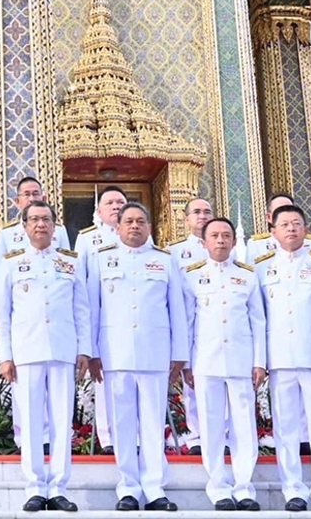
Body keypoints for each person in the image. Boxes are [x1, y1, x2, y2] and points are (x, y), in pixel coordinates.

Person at [88, 202, 187, 512]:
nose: (134, 226)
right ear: (117, 226)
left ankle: (155, 488)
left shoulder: (164, 260)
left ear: (149, 226)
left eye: (140, 221)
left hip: (155, 354)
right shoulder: (101, 259)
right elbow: (93, 308)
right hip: (115, 354)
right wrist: (92, 352)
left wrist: (179, 354)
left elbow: (178, 310)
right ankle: (129, 488)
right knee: (123, 424)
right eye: (128, 221)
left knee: (154, 423)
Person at [0, 201, 91, 513]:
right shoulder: (12, 263)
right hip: (27, 350)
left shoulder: (70, 262)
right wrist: (5, 355)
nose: (40, 225)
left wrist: (84, 350)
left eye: (46, 219)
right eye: (34, 219)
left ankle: (59, 486)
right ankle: (35, 486)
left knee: (62, 421)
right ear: (23, 227)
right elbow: (4, 315)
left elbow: (82, 310)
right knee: (31, 421)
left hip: (63, 349)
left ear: (55, 227)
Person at [255, 204, 311, 512]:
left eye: (296, 224)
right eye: (285, 224)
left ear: (306, 229)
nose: (291, 229)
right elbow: (259, 318)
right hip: (279, 359)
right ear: (273, 232)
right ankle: (293, 489)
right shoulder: (262, 267)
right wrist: (261, 361)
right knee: (286, 429)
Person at [181, 217, 265, 511]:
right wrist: (186, 363)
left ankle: (244, 488)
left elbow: (258, 321)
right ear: (203, 243)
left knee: (244, 427)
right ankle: (218, 488)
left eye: (226, 235)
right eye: (214, 236)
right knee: (212, 427)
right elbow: (187, 323)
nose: (220, 240)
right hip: (205, 361)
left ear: (233, 241)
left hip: (241, 361)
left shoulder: (248, 275)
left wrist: (259, 362)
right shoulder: (191, 275)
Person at [75, 185, 126, 454]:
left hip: (129, 319)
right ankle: (107, 438)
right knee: (104, 377)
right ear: (99, 211)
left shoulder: (135, 234)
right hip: (99, 316)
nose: (116, 206)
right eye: (110, 203)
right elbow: (79, 281)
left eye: (120, 202)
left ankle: (133, 436)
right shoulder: (87, 239)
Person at [170, 197, 213, 456]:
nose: (202, 216)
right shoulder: (175, 252)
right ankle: (196, 435)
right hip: (189, 325)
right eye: (196, 212)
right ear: (186, 219)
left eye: (207, 211)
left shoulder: (226, 242)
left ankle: (225, 436)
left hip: (218, 326)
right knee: (193, 382)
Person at [0, 177, 70, 272]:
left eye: (35, 194)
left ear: (43, 199)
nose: (31, 199)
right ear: (17, 201)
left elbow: (66, 264)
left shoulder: (59, 230)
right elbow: (0, 272)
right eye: (26, 194)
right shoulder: (6, 233)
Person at [249, 193, 311, 257]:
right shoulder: (256, 245)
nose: (286, 213)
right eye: (279, 211)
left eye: (289, 209)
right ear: (268, 217)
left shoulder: (309, 242)